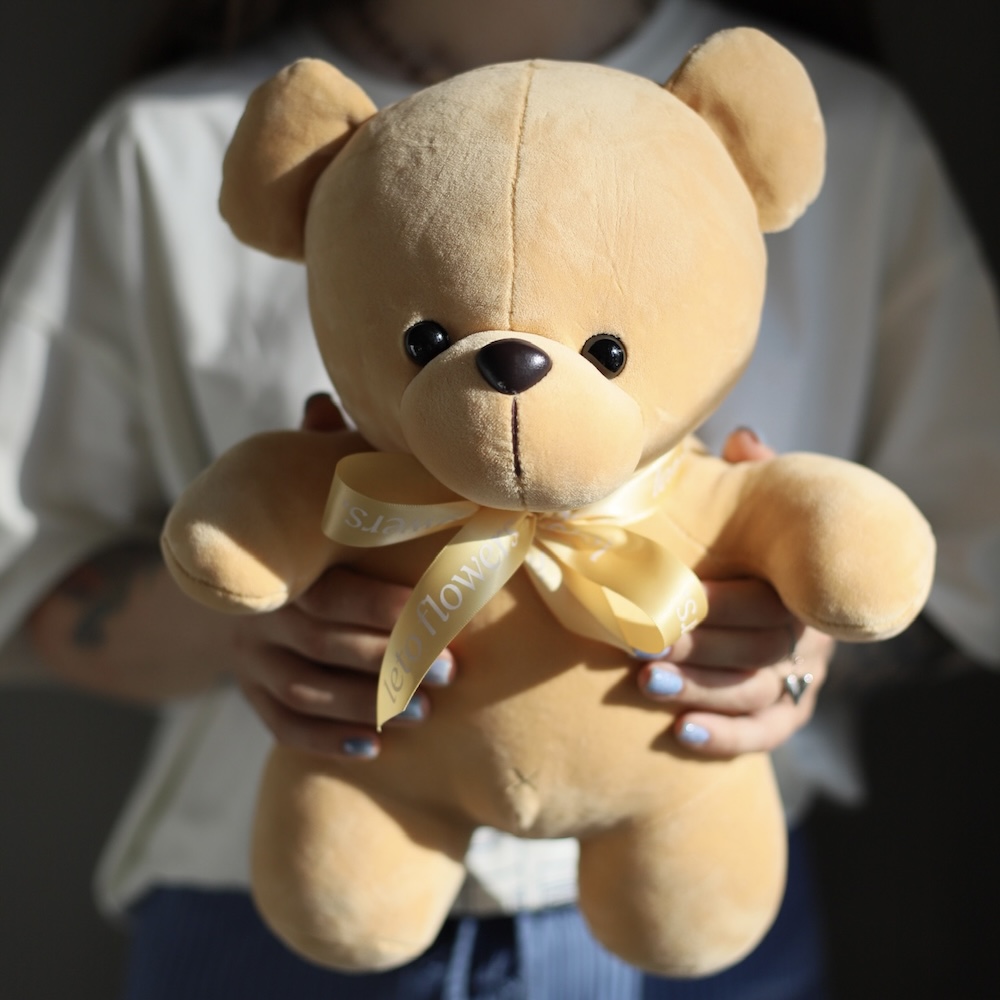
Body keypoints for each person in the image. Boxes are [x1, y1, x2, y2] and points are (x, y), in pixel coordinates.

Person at [1, 0, 997, 997]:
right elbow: (24, 570)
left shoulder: (843, 132)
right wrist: (244, 621)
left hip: (695, 901)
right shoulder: (173, 143)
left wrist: (806, 647)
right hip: (279, 915)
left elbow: (967, 567)